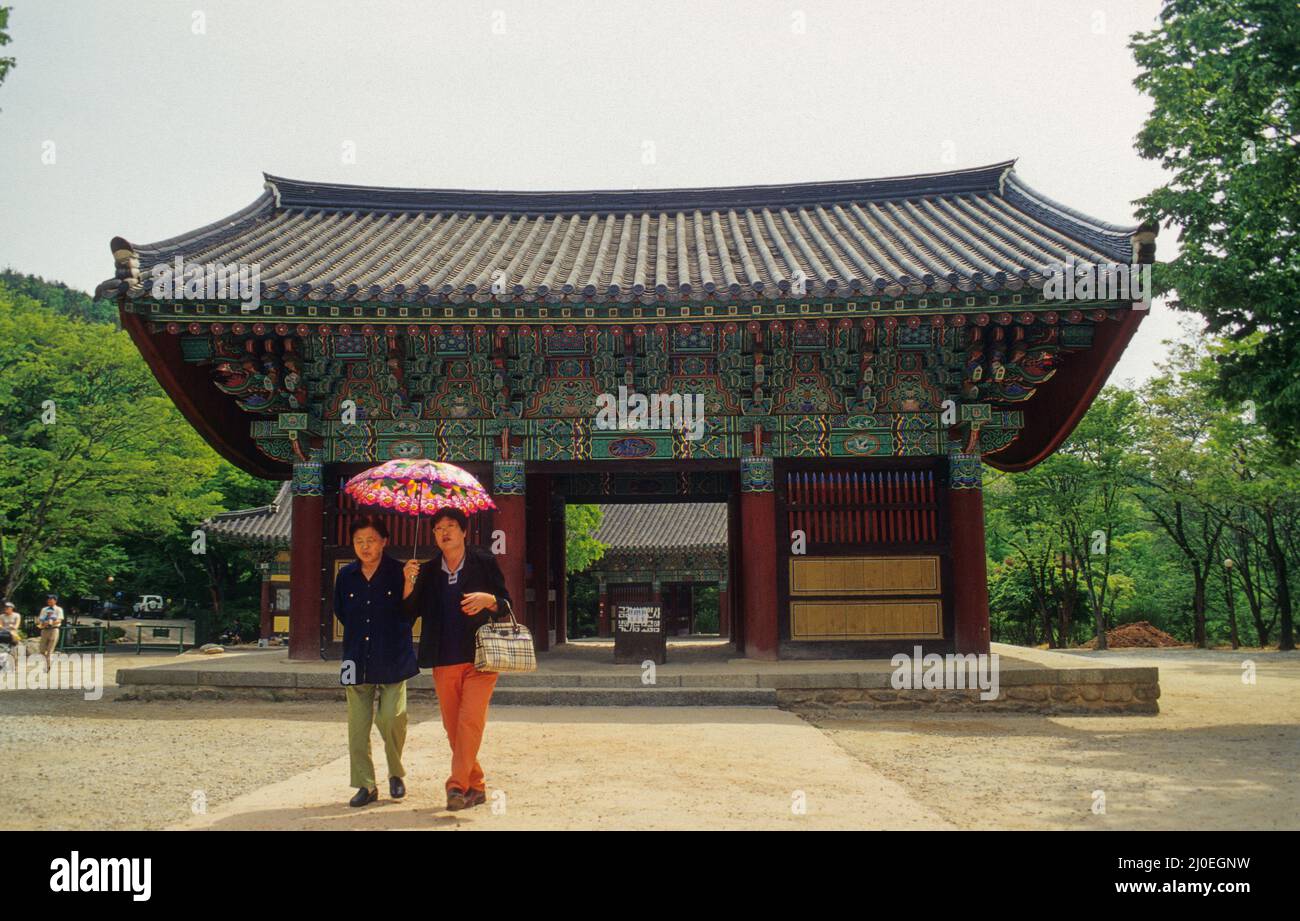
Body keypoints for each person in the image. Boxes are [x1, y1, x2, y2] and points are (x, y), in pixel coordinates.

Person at [402, 507, 510, 812]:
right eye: (437, 529)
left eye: (450, 526)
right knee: (454, 728)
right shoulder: (427, 570)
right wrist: (408, 584)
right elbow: (409, 614)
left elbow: (506, 604)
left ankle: (456, 786)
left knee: (469, 722)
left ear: (464, 531)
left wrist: (490, 601)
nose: (444, 532)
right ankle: (475, 786)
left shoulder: (484, 562)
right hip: (443, 658)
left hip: (482, 658)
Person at [333, 516, 418, 808]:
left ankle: (396, 773)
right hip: (355, 657)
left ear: (384, 541)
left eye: (371, 540)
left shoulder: (399, 571)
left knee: (391, 718)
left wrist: (408, 584)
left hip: (393, 654)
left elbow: (410, 614)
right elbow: (341, 612)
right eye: (359, 541)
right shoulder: (345, 575)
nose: (365, 546)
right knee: (357, 726)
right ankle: (365, 785)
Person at [37, 594, 64, 669]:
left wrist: (51, 622)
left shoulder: (58, 609)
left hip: (54, 629)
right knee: (42, 650)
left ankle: (48, 664)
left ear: (55, 601)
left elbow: (59, 620)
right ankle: (47, 661)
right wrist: (41, 623)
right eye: (48, 599)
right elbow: (40, 619)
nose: (49, 601)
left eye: (51, 599)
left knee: (50, 650)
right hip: (44, 630)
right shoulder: (44, 609)